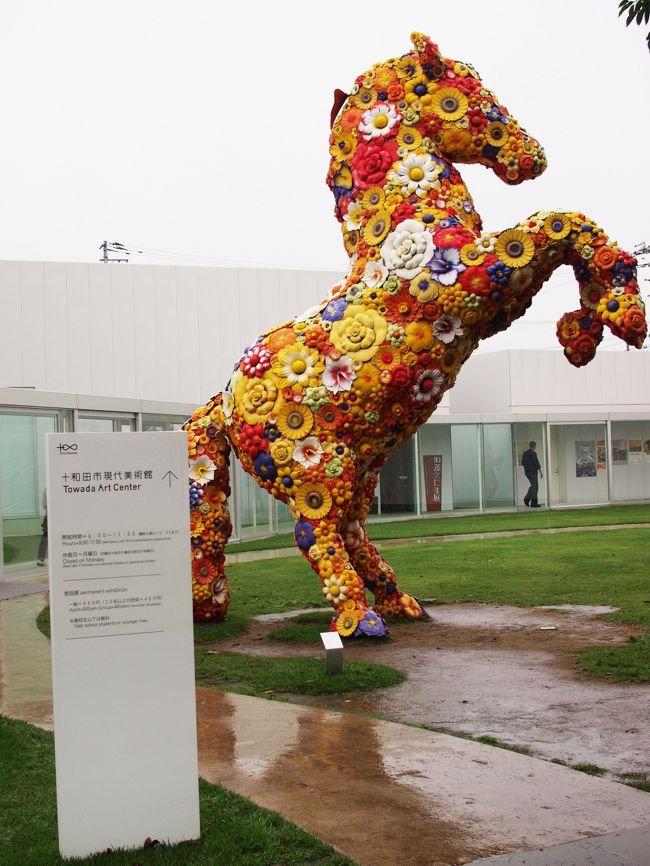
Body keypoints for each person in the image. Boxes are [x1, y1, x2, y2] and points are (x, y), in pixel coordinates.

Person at [521, 441, 543, 508]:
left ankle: (527, 499)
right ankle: (533, 503)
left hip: (527, 473)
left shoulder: (525, 453)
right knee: (535, 487)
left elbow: (522, 463)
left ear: (529, 445)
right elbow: (537, 463)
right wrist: (540, 472)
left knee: (533, 486)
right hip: (533, 472)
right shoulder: (533, 453)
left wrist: (527, 469)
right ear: (534, 446)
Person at [37, 489, 48, 565]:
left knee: (45, 536)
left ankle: (41, 558)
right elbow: (44, 504)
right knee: (46, 536)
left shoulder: (46, 489)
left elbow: (44, 504)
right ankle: (41, 558)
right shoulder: (47, 490)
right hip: (49, 516)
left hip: (49, 515)